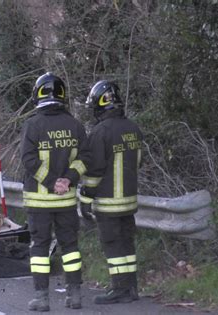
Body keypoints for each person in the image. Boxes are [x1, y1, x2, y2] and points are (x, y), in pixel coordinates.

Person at [20, 72, 90, 311]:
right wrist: (68, 181)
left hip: (39, 202)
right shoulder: (75, 125)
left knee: (39, 248)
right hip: (66, 201)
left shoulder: (32, 125)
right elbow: (84, 159)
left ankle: (41, 298)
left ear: (38, 95)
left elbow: (28, 160)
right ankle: (75, 295)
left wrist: (51, 183)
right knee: (70, 246)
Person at [79, 80, 143, 304]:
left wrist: (85, 198)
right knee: (127, 243)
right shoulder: (133, 128)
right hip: (129, 201)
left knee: (113, 246)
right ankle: (131, 288)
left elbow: (94, 170)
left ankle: (118, 289)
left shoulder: (100, 132)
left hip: (109, 203)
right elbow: (139, 162)